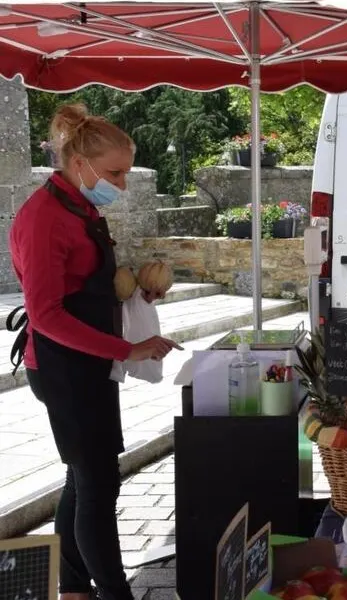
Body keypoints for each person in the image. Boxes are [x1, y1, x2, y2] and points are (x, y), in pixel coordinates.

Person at [7, 104, 182, 600]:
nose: (122, 185)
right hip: (64, 366)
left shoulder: (80, 207)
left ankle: (74, 585)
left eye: (126, 173)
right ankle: (112, 591)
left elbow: (85, 283)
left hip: (88, 360)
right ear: (78, 163)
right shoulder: (42, 218)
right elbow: (46, 315)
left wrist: (133, 291)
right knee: (98, 482)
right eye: (115, 173)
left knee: (82, 476)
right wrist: (126, 348)